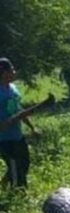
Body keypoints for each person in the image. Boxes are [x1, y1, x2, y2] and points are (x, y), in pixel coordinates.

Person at [0, 58, 37, 188]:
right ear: (3, 72)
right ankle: (19, 192)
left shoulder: (13, 88)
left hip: (17, 135)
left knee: (24, 162)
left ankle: (5, 186)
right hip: (4, 139)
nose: (14, 72)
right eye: (12, 70)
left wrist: (32, 126)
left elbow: (19, 109)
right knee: (15, 166)